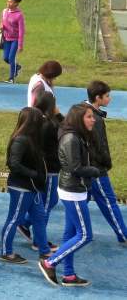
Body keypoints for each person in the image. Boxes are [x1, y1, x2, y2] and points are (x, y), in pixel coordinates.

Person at [38, 104, 102, 287]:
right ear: (79, 119)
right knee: (84, 235)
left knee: (70, 234)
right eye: (89, 116)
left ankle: (69, 275)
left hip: (75, 189)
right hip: (73, 191)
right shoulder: (71, 139)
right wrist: (95, 171)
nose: (93, 119)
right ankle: (49, 262)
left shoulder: (77, 136)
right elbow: (75, 168)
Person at [0, 107, 50, 264]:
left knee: (40, 218)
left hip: (33, 188)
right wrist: (34, 175)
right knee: (14, 219)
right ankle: (6, 252)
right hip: (21, 187)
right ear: (33, 122)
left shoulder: (31, 138)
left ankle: (44, 251)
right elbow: (13, 163)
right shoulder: (21, 139)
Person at [19, 90, 63, 251]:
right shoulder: (49, 124)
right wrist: (58, 115)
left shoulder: (36, 120)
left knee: (47, 201)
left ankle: (25, 223)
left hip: (43, 168)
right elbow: (65, 130)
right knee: (47, 203)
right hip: (49, 169)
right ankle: (39, 240)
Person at [84, 80, 126, 244]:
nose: (110, 99)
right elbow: (100, 147)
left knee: (81, 201)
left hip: (84, 167)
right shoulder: (96, 120)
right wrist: (106, 165)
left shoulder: (82, 110)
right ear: (97, 98)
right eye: (107, 96)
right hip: (96, 169)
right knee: (109, 202)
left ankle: (27, 222)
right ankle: (123, 235)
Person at [0, 0, 25, 83]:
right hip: (6, 38)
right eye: (8, 1)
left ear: (16, 4)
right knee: (5, 58)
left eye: (11, 2)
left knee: (11, 58)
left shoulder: (19, 15)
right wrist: (1, 26)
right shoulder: (4, 11)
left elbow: (22, 30)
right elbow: (2, 22)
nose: (8, 3)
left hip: (15, 39)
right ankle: (17, 67)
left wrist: (20, 45)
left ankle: (11, 78)